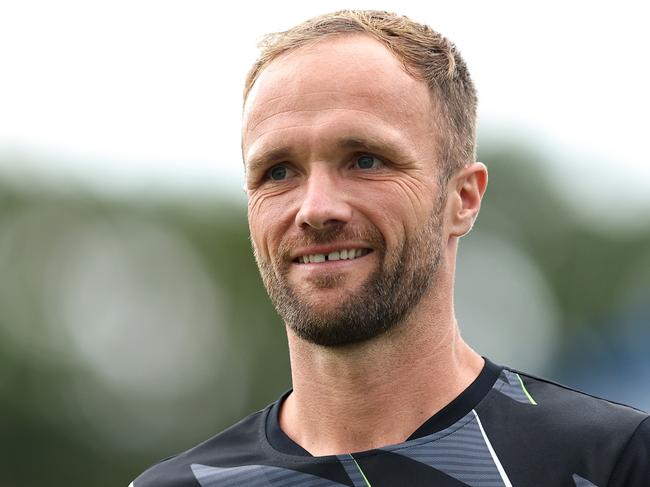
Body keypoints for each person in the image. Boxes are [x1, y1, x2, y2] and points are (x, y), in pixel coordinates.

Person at [131, 10, 649, 486]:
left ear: (462, 198)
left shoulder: (613, 461)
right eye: (279, 172)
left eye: (366, 160)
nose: (315, 208)